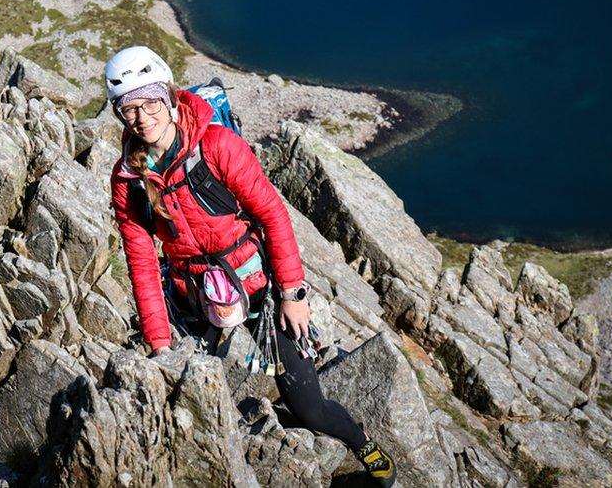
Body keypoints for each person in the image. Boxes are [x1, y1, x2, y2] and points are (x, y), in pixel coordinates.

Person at [107, 45, 396, 486]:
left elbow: (272, 215)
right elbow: (142, 261)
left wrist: (293, 293)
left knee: (309, 406)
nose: (142, 118)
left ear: (167, 95)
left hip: (257, 283)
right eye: (129, 111)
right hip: (192, 296)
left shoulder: (217, 145)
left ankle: (369, 452)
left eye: (149, 103)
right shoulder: (128, 179)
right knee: (198, 408)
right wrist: (159, 343)